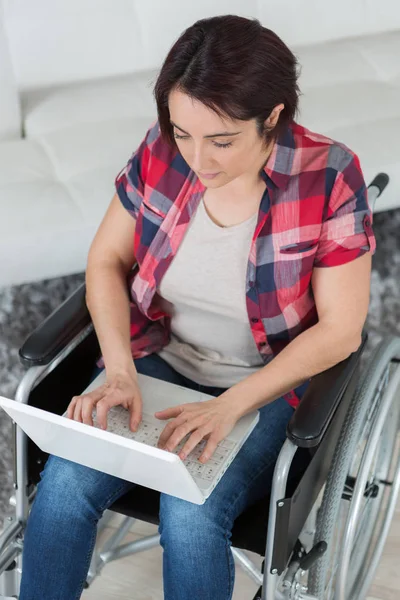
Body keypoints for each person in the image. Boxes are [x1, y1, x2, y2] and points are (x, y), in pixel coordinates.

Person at [19, 14, 376, 600]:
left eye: (222, 140)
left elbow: (341, 330)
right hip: (161, 361)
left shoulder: (329, 176)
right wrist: (120, 372)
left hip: (264, 386)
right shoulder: (164, 152)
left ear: (273, 118)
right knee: (62, 487)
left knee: (190, 513)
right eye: (183, 134)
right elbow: (106, 262)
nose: (198, 160)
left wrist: (227, 408)